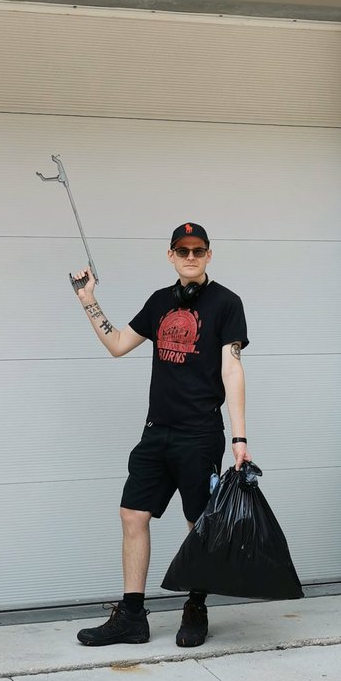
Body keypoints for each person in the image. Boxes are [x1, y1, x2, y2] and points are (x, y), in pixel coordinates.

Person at [71, 222, 249, 648]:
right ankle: (132, 617)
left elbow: (232, 369)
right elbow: (117, 344)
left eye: (198, 250)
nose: (191, 257)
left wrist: (239, 438)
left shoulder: (227, 303)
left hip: (199, 434)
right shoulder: (158, 302)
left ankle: (196, 607)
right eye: (182, 250)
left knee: (197, 523)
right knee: (132, 515)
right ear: (170, 255)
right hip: (156, 433)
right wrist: (88, 300)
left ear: (209, 255)